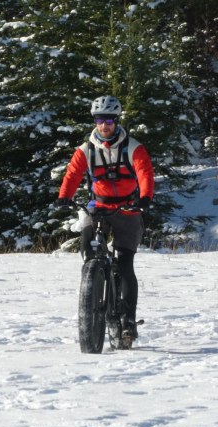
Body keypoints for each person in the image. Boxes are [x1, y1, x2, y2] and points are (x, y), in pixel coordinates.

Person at [54, 95, 155, 339]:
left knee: (125, 263)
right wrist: (64, 196)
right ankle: (94, 284)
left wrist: (144, 198)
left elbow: (145, 173)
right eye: (100, 120)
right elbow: (73, 173)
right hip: (97, 205)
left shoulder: (133, 147)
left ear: (117, 120)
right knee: (88, 250)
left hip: (128, 207)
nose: (104, 125)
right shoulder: (86, 149)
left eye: (109, 120)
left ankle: (128, 320)